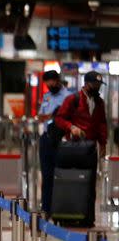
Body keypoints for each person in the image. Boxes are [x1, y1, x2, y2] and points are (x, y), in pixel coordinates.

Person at [37, 70, 73, 214]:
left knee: (61, 174)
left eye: (52, 81)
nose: (50, 85)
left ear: (58, 80)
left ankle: (61, 207)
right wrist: (51, 115)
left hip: (62, 139)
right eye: (47, 83)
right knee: (46, 174)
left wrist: (55, 116)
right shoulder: (47, 97)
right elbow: (41, 117)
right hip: (46, 138)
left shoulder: (68, 97)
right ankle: (46, 208)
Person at [54, 70, 107, 156]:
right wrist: (71, 127)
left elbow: (102, 124)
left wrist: (103, 143)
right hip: (74, 145)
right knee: (74, 169)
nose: (97, 87)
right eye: (94, 85)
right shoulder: (73, 99)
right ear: (86, 84)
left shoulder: (99, 102)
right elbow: (59, 118)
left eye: (99, 85)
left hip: (91, 147)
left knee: (91, 169)